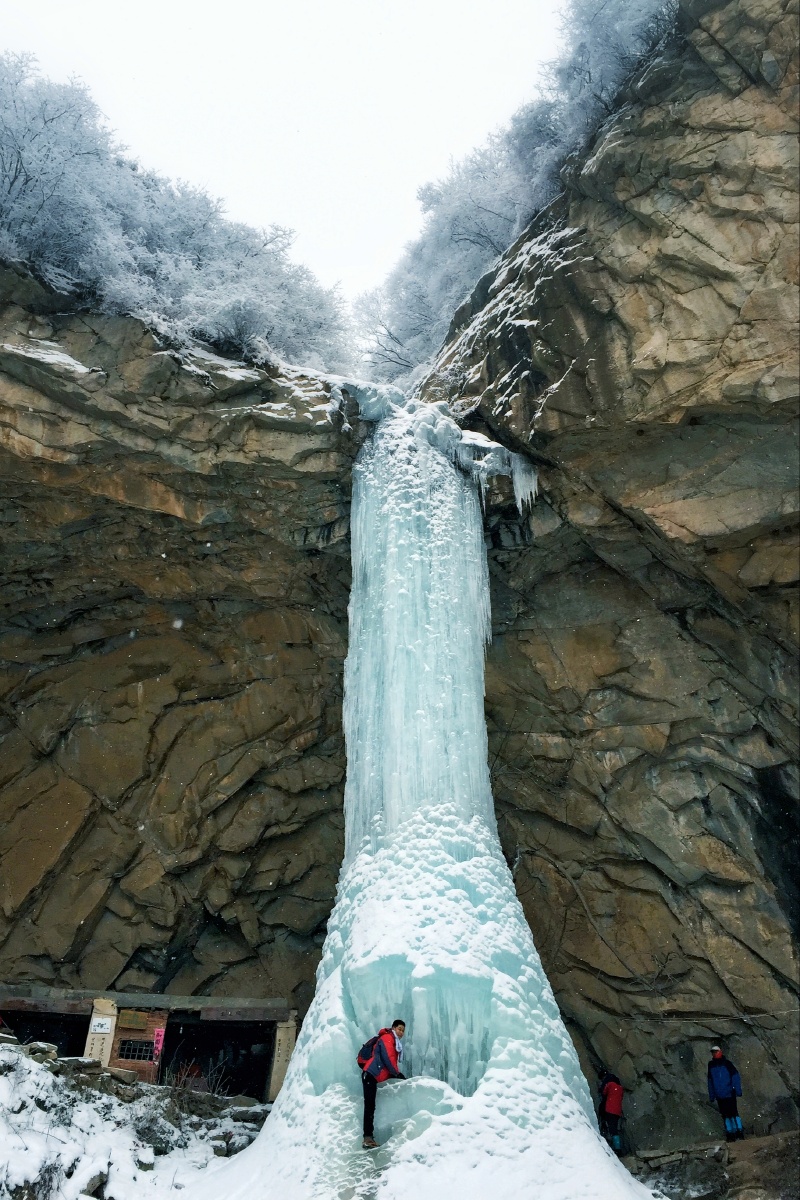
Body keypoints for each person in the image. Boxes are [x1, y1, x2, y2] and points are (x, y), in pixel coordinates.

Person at [359, 1019, 406, 1149]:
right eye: (399, 1029)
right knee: (369, 1106)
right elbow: (388, 1058)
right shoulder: (387, 1038)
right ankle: (367, 1138)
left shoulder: (393, 1041)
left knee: (370, 1106)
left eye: (403, 1030)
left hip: (372, 1075)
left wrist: (396, 1075)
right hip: (370, 1074)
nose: (401, 1032)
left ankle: (369, 1137)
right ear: (393, 1028)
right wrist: (397, 1073)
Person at [707, 1045, 744, 1142]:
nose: (714, 1053)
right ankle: (730, 1134)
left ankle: (739, 1133)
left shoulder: (727, 1064)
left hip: (729, 1093)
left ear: (720, 1052)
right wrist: (712, 1095)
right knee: (725, 1115)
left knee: (733, 1113)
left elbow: (735, 1077)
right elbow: (710, 1081)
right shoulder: (711, 1065)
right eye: (713, 1052)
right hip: (720, 1095)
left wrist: (737, 1090)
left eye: (716, 1052)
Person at [597, 1069, 625, 1153]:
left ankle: (616, 1148)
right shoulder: (620, 1087)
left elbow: (604, 1092)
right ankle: (617, 1147)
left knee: (609, 1127)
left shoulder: (609, 1084)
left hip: (609, 1109)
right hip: (617, 1111)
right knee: (614, 1128)